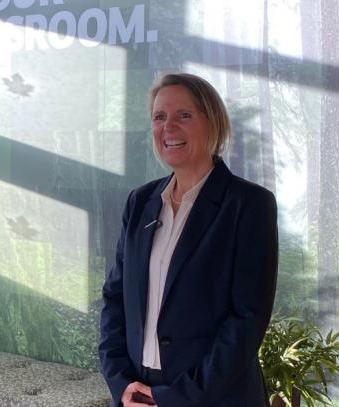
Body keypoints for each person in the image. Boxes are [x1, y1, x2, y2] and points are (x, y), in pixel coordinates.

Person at [99, 73, 278, 406]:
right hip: (137, 395)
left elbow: (245, 323)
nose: (168, 127)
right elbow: (115, 298)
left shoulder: (248, 205)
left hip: (214, 397)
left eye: (184, 115)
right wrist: (122, 384)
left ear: (212, 123)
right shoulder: (140, 202)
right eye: (159, 117)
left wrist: (175, 398)